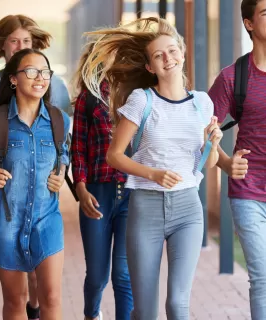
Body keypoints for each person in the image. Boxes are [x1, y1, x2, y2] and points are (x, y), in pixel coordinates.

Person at [81, 17, 223, 319]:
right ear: (150, 67)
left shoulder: (203, 103)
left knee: (177, 305)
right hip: (146, 208)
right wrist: (153, 174)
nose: (168, 58)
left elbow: (208, 164)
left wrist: (211, 141)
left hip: (188, 209)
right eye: (159, 55)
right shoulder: (141, 100)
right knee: (145, 310)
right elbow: (114, 155)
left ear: (182, 53)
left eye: (172, 51)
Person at [0, 48, 70, 320]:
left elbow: (63, 152)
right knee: (15, 300)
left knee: (52, 297)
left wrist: (60, 172)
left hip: (47, 218)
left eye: (45, 72)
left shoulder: (59, 120)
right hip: (6, 221)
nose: (40, 78)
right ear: (13, 79)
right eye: (31, 71)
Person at [0, 14, 71, 319]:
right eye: (14, 41)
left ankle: (34, 311)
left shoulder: (53, 86)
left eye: (26, 41)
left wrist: (60, 170)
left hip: (44, 206)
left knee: (44, 286)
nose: (20, 46)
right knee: (16, 293)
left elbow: (61, 139)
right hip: (6, 201)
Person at [208, 1, 266, 318]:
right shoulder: (233, 78)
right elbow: (204, 134)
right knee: (262, 278)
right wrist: (227, 163)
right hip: (249, 193)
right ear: (249, 23)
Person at [71, 43, 133, 320]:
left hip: (132, 193)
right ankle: (91, 315)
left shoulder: (138, 94)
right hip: (97, 192)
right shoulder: (89, 97)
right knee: (97, 275)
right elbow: (78, 148)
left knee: (123, 274)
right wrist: (81, 188)